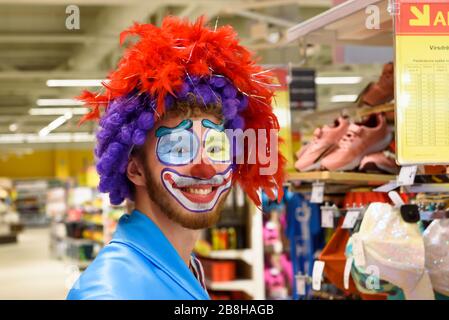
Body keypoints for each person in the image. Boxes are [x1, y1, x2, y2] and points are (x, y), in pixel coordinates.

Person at [67, 16, 285, 300]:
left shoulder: (185, 264)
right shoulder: (110, 294)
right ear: (135, 170)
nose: (205, 167)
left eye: (217, 148)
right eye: (179, 148)